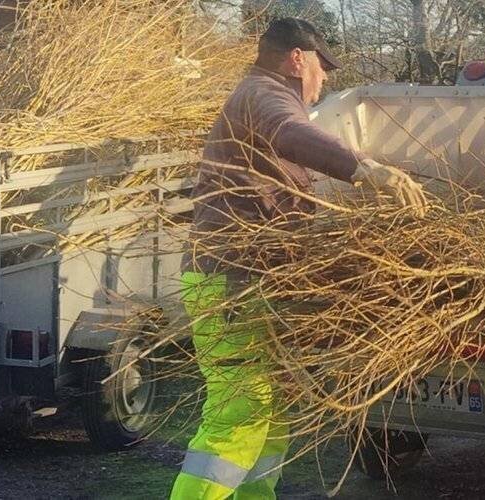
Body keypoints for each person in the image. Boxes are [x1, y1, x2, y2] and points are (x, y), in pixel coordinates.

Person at [170, 18, 426, 500]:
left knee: (278, 406)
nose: (324, 80)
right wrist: (363, 169)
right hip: (230, 279)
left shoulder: (259, 96)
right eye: (321, 68)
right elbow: (290, 133)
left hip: (252, 280)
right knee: (240, 410)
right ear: (297, 58)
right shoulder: (264, 95)